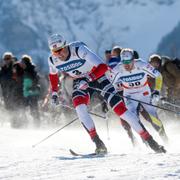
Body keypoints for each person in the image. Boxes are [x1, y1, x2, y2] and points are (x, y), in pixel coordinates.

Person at [47, 34, 166, 154]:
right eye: (55, 52)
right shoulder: (52, 59)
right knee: (79, 107)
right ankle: (99, 144)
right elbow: (53, 75)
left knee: (120, 110)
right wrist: (54, 93)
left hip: (98, 76)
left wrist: (88, 79)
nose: (59, 54)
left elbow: (103, 66)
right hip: (80, 80)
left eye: (61, 50)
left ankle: (151, 141)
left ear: (66, 45)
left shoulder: (79, 50)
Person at [112, 48, 168, 143]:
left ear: (133, 59)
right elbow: (109, 82)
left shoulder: (142, 65)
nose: (126, 65)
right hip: (129, 95)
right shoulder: (118, 68)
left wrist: (157, 91)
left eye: (128, 62)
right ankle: (147, 141)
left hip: (144, 93)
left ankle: (165, 139)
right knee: (133, 118)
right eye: (124, 62)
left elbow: (158, 76)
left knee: (153, 118)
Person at [21, 55, 41, 127]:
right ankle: (27, 124)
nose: (21, 64)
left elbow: (36, 79)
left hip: (33, 93)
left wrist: (32, 87)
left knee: (34, 110)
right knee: (24, 109)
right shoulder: (25, 70)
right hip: (26, 93)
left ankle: (37, 125)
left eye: (22, 62)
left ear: (26, 62)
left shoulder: (31, 70)